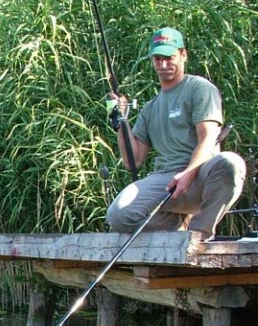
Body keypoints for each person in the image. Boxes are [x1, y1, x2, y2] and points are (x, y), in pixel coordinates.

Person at [105, 27, 246, 241]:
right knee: (119, 215)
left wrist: (188, 173)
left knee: (231, 162)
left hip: (201, 174)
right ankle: (176, 223)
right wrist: (121, 120)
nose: (163, 65)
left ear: (183, 55)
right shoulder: (150, 108)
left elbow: (208, 137)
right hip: (165, 179)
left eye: (169, 58)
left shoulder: (199, 88)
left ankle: (198, 234)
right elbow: (132, 160)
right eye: (157, 59)